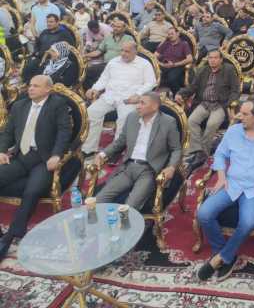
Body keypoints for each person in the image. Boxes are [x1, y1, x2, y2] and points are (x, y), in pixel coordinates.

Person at [196, 99, 254, 281]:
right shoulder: (233, 131)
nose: (240, 117)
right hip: (232, 184)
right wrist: (221, 176)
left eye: (245, 114)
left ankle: (220, 259)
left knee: (247, 223)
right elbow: (220, 154)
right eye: (240, 113)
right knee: (204, 214)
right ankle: (223, 254)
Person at [0, 75, 72, 261]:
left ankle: (11, 236)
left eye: (36, 86)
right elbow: (7, 132)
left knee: (32, 191)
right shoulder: (19, 105)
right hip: (20, 156)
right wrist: (2, 151)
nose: (30, 88)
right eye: (30, 85)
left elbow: (64, 132)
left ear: (48, 89)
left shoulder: (57, 105)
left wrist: (56, 155)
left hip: (43, 159)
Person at [94, 91, 181, 209]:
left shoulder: (168, 122)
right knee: (99, 200)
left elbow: (176, 149)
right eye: (138, 102)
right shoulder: (132, 117)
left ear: (155, 106)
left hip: (148, 171)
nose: (138, 106)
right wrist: (102, 154)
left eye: (142, 103)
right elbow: (120, 141)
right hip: (128, 168)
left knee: (129, 207)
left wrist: (171, 167)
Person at [82, 42, 157, 155]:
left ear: (135, 52)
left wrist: (138, 94)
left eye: (127, 51)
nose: (123, 54)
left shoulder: (144, 64)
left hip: (129, 99)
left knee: (124, 119)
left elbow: (151, 82)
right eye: (121, 50)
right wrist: (95, 89)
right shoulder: (113, 62)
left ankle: (115, 150)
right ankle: (89, 149)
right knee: (91, 112)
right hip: (110, 96)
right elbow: (104, 79)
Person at [176, 50, 240, 159]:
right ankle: (197, 149)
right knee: (191, 121)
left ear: (221, 60)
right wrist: (181, 93)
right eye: (210, 58)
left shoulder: (228, 70)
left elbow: (235, 90)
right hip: (204, 103)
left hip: (220, 104)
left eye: (215, 58)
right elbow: (193, 87)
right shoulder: (203, 70)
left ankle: (204, 152)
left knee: (211, 124)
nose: (212, 60)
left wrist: (229, 104)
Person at [155, 26, 193, 95]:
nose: (170, 36)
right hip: (163, 65)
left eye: (172, 34)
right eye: (169, 34)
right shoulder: (166, 43)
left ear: (178, 34)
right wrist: (161, 64)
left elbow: (190, 59)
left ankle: (178, 95)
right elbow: (154, 56)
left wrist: (174, 64)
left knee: (171, 79)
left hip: (177, 66)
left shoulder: (184, 44)